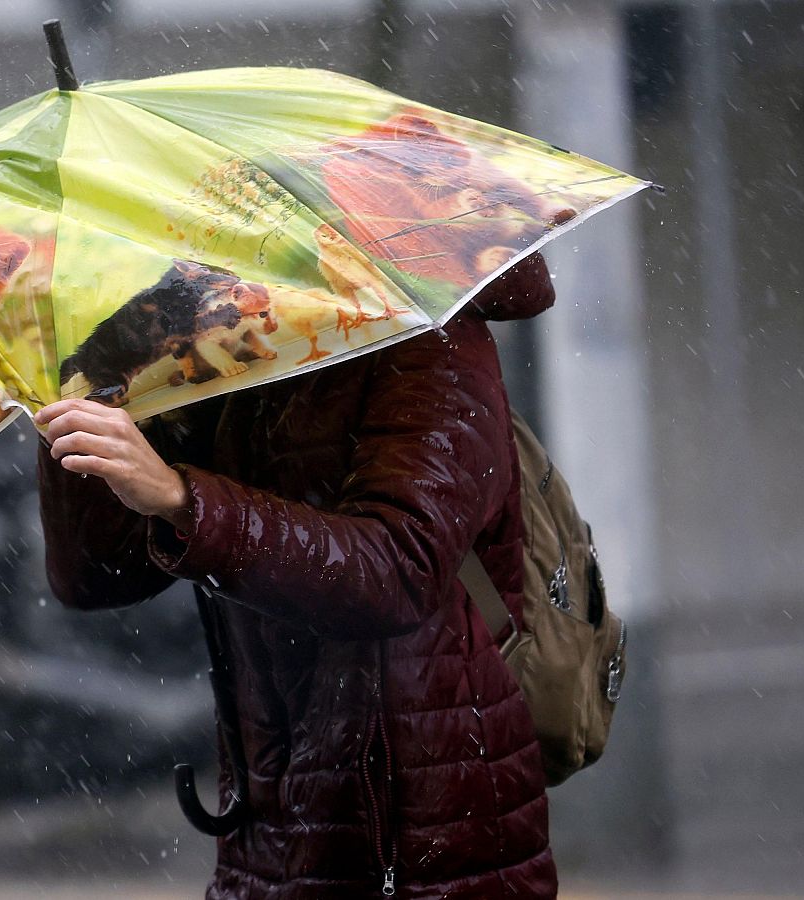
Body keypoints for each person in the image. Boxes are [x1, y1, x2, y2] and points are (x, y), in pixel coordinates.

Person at [34, 254, 559, 899]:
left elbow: (398, 571)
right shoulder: (234, 339)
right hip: (270, 825)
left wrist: (181, 499)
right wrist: (90, 381)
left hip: (424, 834)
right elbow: (98, 576)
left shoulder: (434, 340)